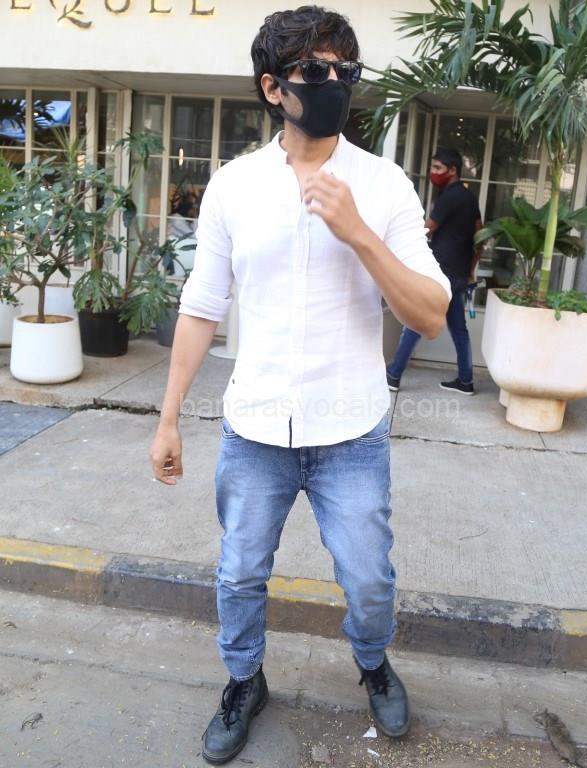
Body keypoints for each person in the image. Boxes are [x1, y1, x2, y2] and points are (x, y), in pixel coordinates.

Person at [149, 6, 450, 765]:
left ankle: (373, 663)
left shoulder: (381, 185)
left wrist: (358, 233)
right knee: (240, 574)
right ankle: (244, 681)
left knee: (369, 579)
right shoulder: (233, 187)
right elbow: (201, 308)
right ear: (273, 87)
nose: (333, 82)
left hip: (351, 431)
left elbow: (430, 314)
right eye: (315, 70)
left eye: (346, 70)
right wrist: (169, 417)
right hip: (255, 429)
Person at [386, 147, 482, 395]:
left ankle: (393, 375)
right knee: (459, 329)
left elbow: (426, 228)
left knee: (417, 321)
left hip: (441, 271)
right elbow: (480, 236)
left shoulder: (449, 197)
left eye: (438, 168)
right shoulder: (470, 198)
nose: (433, 172)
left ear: (453, 170)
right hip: (459, 273)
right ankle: (465, 380)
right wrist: (471, 270)